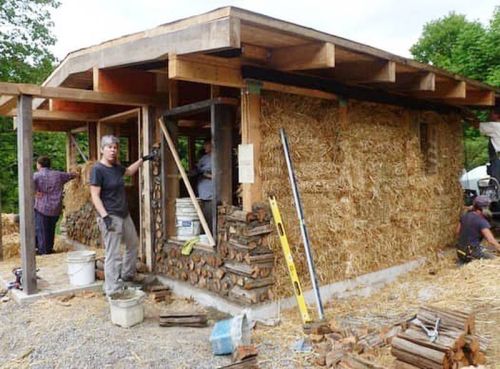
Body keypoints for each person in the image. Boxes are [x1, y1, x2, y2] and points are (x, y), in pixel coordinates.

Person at [90, 135, 156, 296]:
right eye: (109, 147)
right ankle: (112, 288)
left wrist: (143, 159)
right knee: (113, 253)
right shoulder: (98, 170)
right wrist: (105, 217)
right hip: (110, 215)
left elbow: (128, 172)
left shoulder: (116, 167)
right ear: (102, 149)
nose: (113, 150)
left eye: (115, 147)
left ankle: (128, 275)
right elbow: (95, 195)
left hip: (124, 214)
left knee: (133, 243)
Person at [33, 156, 77, 255]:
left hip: (41, 207)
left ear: (39, 165)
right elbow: (72, 175)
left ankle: (43, 251)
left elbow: (27, 184)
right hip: (55, 208)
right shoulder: (58, 175)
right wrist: (78, 172)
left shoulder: (36, 175)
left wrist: (35, 192)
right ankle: (49, 249)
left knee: (42, 229)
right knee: (51, 229)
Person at [456, 195, 500, 263]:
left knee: (485, 249)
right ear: (485, 208)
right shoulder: (482, 221)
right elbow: (491, 240)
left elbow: (457, 232)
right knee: (495, 260)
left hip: (460, 251)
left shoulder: (465, 216)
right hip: (471, 253)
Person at [190, 139, 213, 232]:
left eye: (206, 144)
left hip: (211, 194)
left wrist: (206, 175)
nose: (204, 147)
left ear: (212, 145)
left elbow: (221, 175)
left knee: (210, 217)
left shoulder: (219, 158)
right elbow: (196, 170)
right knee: (202, 216)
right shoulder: (204, 158)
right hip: (202, 193)